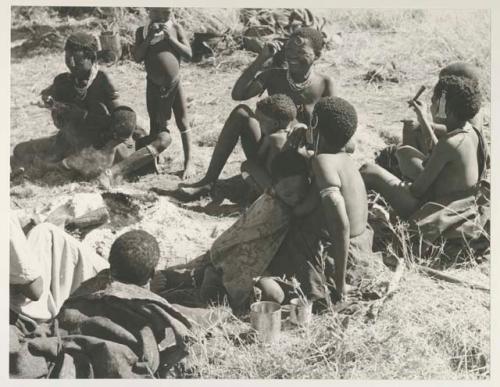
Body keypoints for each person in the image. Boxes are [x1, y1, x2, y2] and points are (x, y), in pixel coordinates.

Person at [10, 230, 195, 379]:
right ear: (153, 274)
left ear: (109, 262)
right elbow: (180, 340)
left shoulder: (85, 290)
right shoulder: (154, 310)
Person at [180, 27, 336, 199]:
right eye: (289, 49)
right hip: (266, 149)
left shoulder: (324, 84)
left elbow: (333, 127)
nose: (292, 55)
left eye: (301, 51)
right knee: (241, 113)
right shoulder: (274, 76)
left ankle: (272, 190)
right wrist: (261, 59)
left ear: (317, 55)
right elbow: (238, 94)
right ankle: (208, 182)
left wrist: (306, 133)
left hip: (299, 159)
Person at [256, 97, 372, 305]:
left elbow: (340, 225)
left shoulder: (322, 162)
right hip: (362, 247)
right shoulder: (342, 153)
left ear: (316, 128)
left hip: (338, 256)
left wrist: (340, 283)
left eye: (311, 124)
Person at [360, 75, 487, 219]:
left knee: (368, 171)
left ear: (446, 110)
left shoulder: (450, 144)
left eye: (434, 102)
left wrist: (403, 183)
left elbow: (417, 191)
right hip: (456, 203)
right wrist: (423, 118)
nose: (431, 107)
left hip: (435, 210)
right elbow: (439, 151)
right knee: (404, 152)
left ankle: (352, 216)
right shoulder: (470, 131)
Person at [13, 32, 140, 171]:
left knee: (83, 166)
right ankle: (56, 164)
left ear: (91, 59)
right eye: (68, 59)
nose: (71, 64)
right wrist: (52, 105)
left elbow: (122, 120)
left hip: (98, 144)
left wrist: (82, 116)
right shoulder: (64, 81)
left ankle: (56, 166)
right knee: (19, 150)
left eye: (77, 60)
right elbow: (54, 110)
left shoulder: (103, 81)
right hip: (70, 139)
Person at [97, 7, 193, 189]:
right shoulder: (142, 31)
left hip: (174, 84)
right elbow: (137, 57)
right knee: (156, 123)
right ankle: (154, 158)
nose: (164, 17)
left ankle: (189, 161)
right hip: (153, 85)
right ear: (149, 12)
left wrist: (170, 39)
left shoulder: (175, 28)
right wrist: (149, 39)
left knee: (182, 121)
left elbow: (188, 55)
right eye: (159, 13)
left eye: (167, 13)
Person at [9, 213, 108, 325]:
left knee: (44, 232)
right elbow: (35, 291)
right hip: (21, 310)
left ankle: (67, 234)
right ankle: (106, 278)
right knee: (45, 232)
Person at [36, 106, 138, 179]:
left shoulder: (109, 151)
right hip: (116, 171)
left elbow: (85, 167)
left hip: (93, 174)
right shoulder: (130, 146)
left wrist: (53, 165)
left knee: (73, 160)